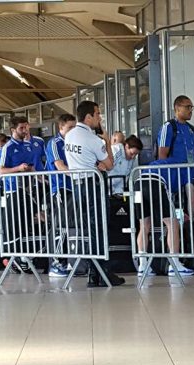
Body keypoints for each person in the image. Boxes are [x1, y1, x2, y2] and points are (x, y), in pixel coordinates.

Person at [64, 100, 125, 287]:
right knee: (99, 228)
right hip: (93, 184)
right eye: (98, 114)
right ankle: (101, 272)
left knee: (88, 230)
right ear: (88, 117)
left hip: (77, 185)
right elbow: (110, 165)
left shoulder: (69, 135)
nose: (100, 118)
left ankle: (94, 271)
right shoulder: (92, 139)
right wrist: (107, 142)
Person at [135, 159, 194, 277]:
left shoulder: (163, 162)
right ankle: (175, 265)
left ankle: (143, 266)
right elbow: (191, 198)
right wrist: (191, 218)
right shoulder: (187, 169)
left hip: (138, 184)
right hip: (155, 182)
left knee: (144, 226)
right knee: (173, 224)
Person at [0, 116, 38, 274]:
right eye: (22, 128)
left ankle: (26, 257)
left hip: (27, 191)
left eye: (27, 127)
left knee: (28, 223)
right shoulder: (7, 148)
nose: (25, 130)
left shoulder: (28, 146)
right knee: (15, 226)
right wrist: (18, 169)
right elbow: (1, 170)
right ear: (13, 130)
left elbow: (31, 167)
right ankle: (15, 257)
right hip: (13, 191)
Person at [45, 113, 77, 278]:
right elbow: (59, 165)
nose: (73, 131)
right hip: (61, 188)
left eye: (75, 127)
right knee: (60, 225)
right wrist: (77, 175)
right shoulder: (54, 143)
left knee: (72, 225)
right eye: (70, 128)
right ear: (61, 128)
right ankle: (56, 262)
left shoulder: (76, 142)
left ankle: (71, 260)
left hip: (75, 188)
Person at [158, 95, 194, 216]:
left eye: (192, 107)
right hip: (174, 174)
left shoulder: (191, 129)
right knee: (172, 209)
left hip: (190, 173)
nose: (191, 110)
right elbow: (162, 155)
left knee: (192, 205)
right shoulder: (169, 127)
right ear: (177, 108)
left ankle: (190, 228)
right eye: (188, 107)